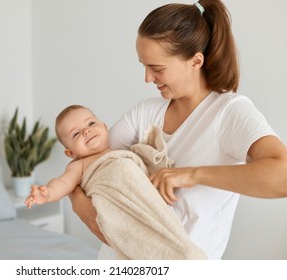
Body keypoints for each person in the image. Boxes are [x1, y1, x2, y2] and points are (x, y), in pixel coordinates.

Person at [68, 0, 287, 260]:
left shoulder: (229, 113)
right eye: (144, 66)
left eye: (157, 68)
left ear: (195, 61)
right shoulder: (145, 112)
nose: (147, 78)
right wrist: (82, 207)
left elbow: (282, 177)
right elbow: (86, 164)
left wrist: (189, 175)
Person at [25, 104, 206, 259]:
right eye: (76, 134)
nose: (86, 130)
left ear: (105, 127)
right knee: (143, 241)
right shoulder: (78, 166)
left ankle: (183, 253)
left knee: (163, 227)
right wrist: (46, 193)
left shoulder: (123, 151)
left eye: (90, 123)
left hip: (142, 200)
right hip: (115, 203)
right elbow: (63, 184)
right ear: (70, 153)